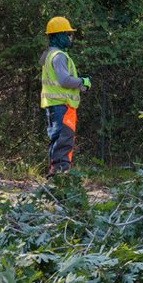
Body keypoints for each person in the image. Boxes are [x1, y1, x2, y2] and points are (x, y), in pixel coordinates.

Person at [40, 16, 90, 174]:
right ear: (59, 35)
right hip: (62, 107)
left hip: (53, 105)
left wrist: (79, 86)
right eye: (68, 34)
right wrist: (83, 81)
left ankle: (54, 174)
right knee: (64, 141)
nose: (70, 37)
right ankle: (60, 177)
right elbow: (64, 80)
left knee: (56, 142)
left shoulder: (49, 54)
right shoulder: (59, 56)